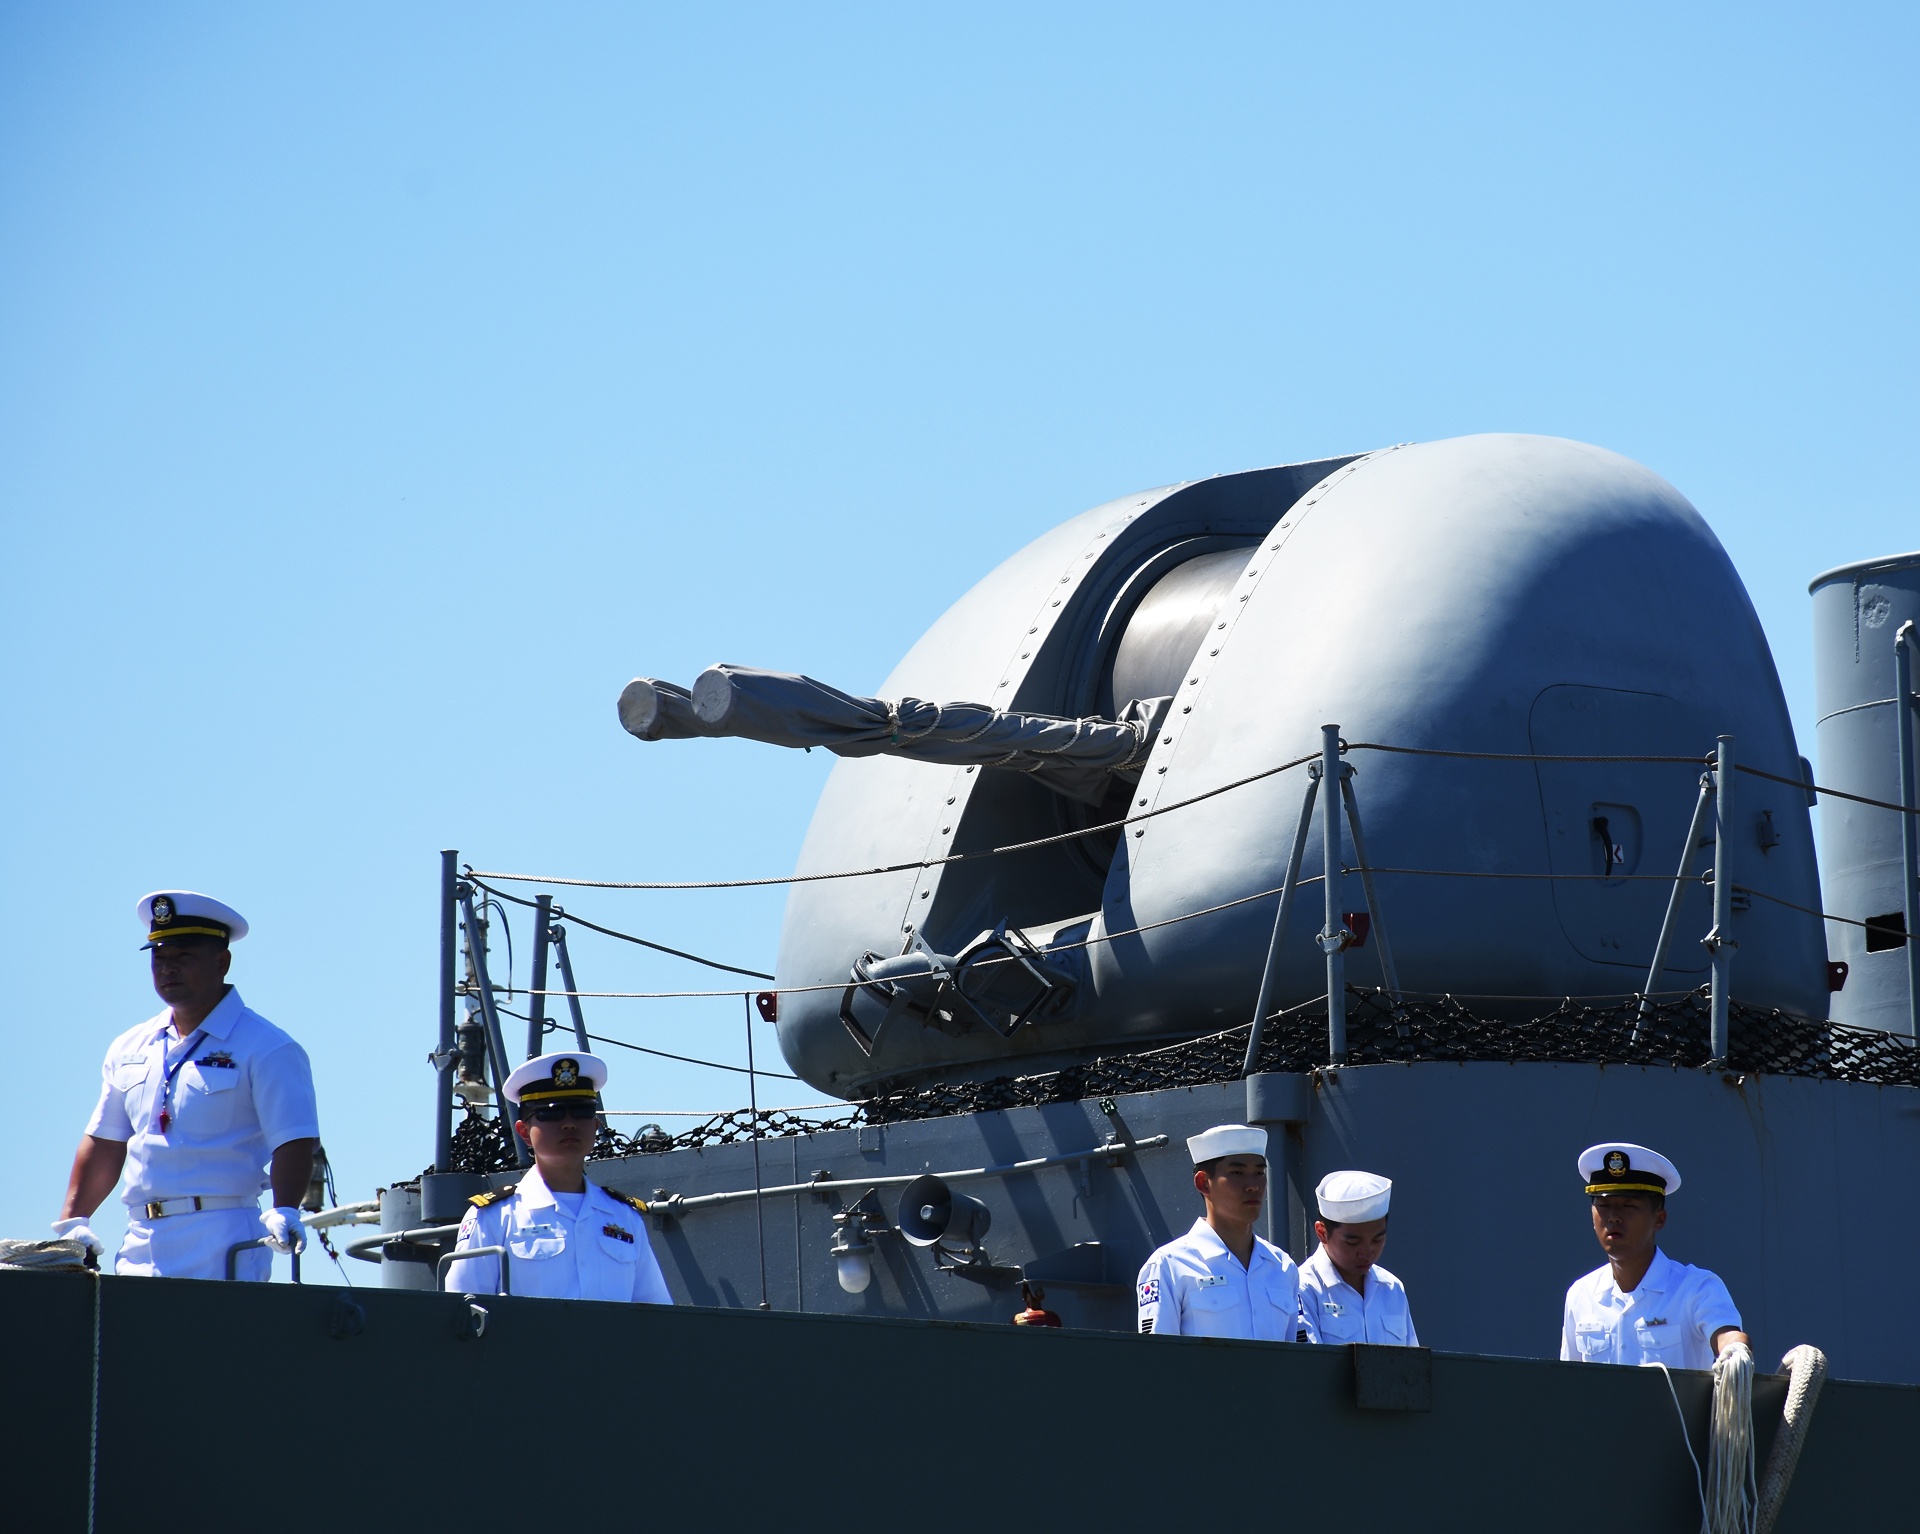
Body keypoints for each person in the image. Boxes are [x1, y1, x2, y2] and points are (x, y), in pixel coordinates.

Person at [55, 892, 320, 1280]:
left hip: (223, 1233)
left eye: (184, 957)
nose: (168, 969)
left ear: (222, 962)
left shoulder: (267, 1046)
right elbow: (105, 1141)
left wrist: (286, 1207)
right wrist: (72, 1221)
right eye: (159, 958)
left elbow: (294, 1140)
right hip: (141, 1238)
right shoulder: (130, 1045)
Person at [445, 1050, 673, 1304]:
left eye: (581, 1111)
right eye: (550, 1113)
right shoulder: (494, 1217)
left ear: (596, 1126)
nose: (569, 1124)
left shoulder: (624, 1217)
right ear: (523, 1132)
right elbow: (463, 1312)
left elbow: (656, 1315)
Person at [1561, 1142, 1750, 1369]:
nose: (1613, 1217)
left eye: (1628, 1206)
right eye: (1604, 1205)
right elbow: (1569, 1382)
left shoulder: (1697, 1288)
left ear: (1659, 1219)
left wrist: (1737, 1351)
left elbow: (1727, 1337)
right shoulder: (1580, 1295)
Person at [1135, 1124, 1304, 1339]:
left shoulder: (1283, 1268)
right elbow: (1156, 1360)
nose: (1253, 1185)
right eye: (1237, 1173)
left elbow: (1297, 1358)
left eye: (1259, 1172)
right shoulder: (1169, 1265)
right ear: (1203, 1183)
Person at [1298, 1169, 1418, 1346]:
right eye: (1353, 1242)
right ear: (1322, 1232)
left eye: (1378, 1239)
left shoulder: (1392, 1288)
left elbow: (1412, 1362)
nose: (1367, 1252)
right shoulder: (1303, 1287)